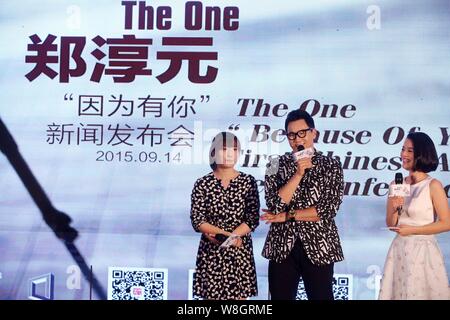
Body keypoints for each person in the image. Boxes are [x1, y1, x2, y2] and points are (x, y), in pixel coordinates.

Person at [261, 109, 344, 300]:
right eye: (291, 135)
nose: (297, 139)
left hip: (319, 244)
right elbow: (274, 205)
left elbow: (327, 209)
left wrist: (288, 215)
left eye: (302, 133)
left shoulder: (331, 165)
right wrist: (298, 174)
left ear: (313, 133)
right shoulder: (274, 163)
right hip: (282, 246)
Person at [379, 132, 450, 300]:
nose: (403, 154)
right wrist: (395, 207)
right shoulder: (396, 185)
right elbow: (391, 223)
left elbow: (446, 223)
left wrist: (413, 230)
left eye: (410, 151)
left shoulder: (433, 185)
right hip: (399, 249)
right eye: (403, 149)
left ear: (422, 153)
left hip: (423, 251)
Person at [190, 132, 260, 300]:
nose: (230, 153)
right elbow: (197, 220)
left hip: (239, 254)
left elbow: (252, 218)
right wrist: (229, 238)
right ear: (213, 152)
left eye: (234, 149)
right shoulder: (202, 183)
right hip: (212, 252)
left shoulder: (248, 181)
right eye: (224, 149)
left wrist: (234, 237)